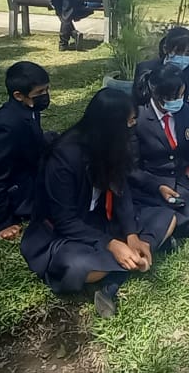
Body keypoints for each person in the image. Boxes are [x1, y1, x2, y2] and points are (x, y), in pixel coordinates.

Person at [20, 88, 178, 317]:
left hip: (102, 220)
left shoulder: (113, 145)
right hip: (65, 234)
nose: (134, 126)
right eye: (130, 121)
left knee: (167, 217)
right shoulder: (64, 157)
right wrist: (112, 244)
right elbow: (65, 221)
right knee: (77, 265)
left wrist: (132, 235)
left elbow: (121, 190)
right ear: (111, 125)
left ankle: (126, 263)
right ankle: (127, 265)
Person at [129, 64, 189, 243]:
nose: (179, 100)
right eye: (174, 97)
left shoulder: (182, 111)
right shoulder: (139, 118)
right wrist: (157, 187)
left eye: (182, 95)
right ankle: (159, 225)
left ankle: (162, 228)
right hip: (148, 183)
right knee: (159, 213)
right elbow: (131, 168)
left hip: (176, 179)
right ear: (157, 95)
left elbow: (186, 153)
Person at [0, 62, 53, 241]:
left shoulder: (29, 108)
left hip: (27, 170)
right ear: (18, 95)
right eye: (39, 92)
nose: (45, 96)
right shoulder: (8, 127)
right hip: (17, 189)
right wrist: (1, 222)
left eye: (47, 89)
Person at [134, 27, 189, 164]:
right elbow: (137, 105)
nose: (182, 58)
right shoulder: (147, 70)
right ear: (166, 49)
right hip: (152, 135)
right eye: (178, 52)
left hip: (179, 133)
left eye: (187, 53)